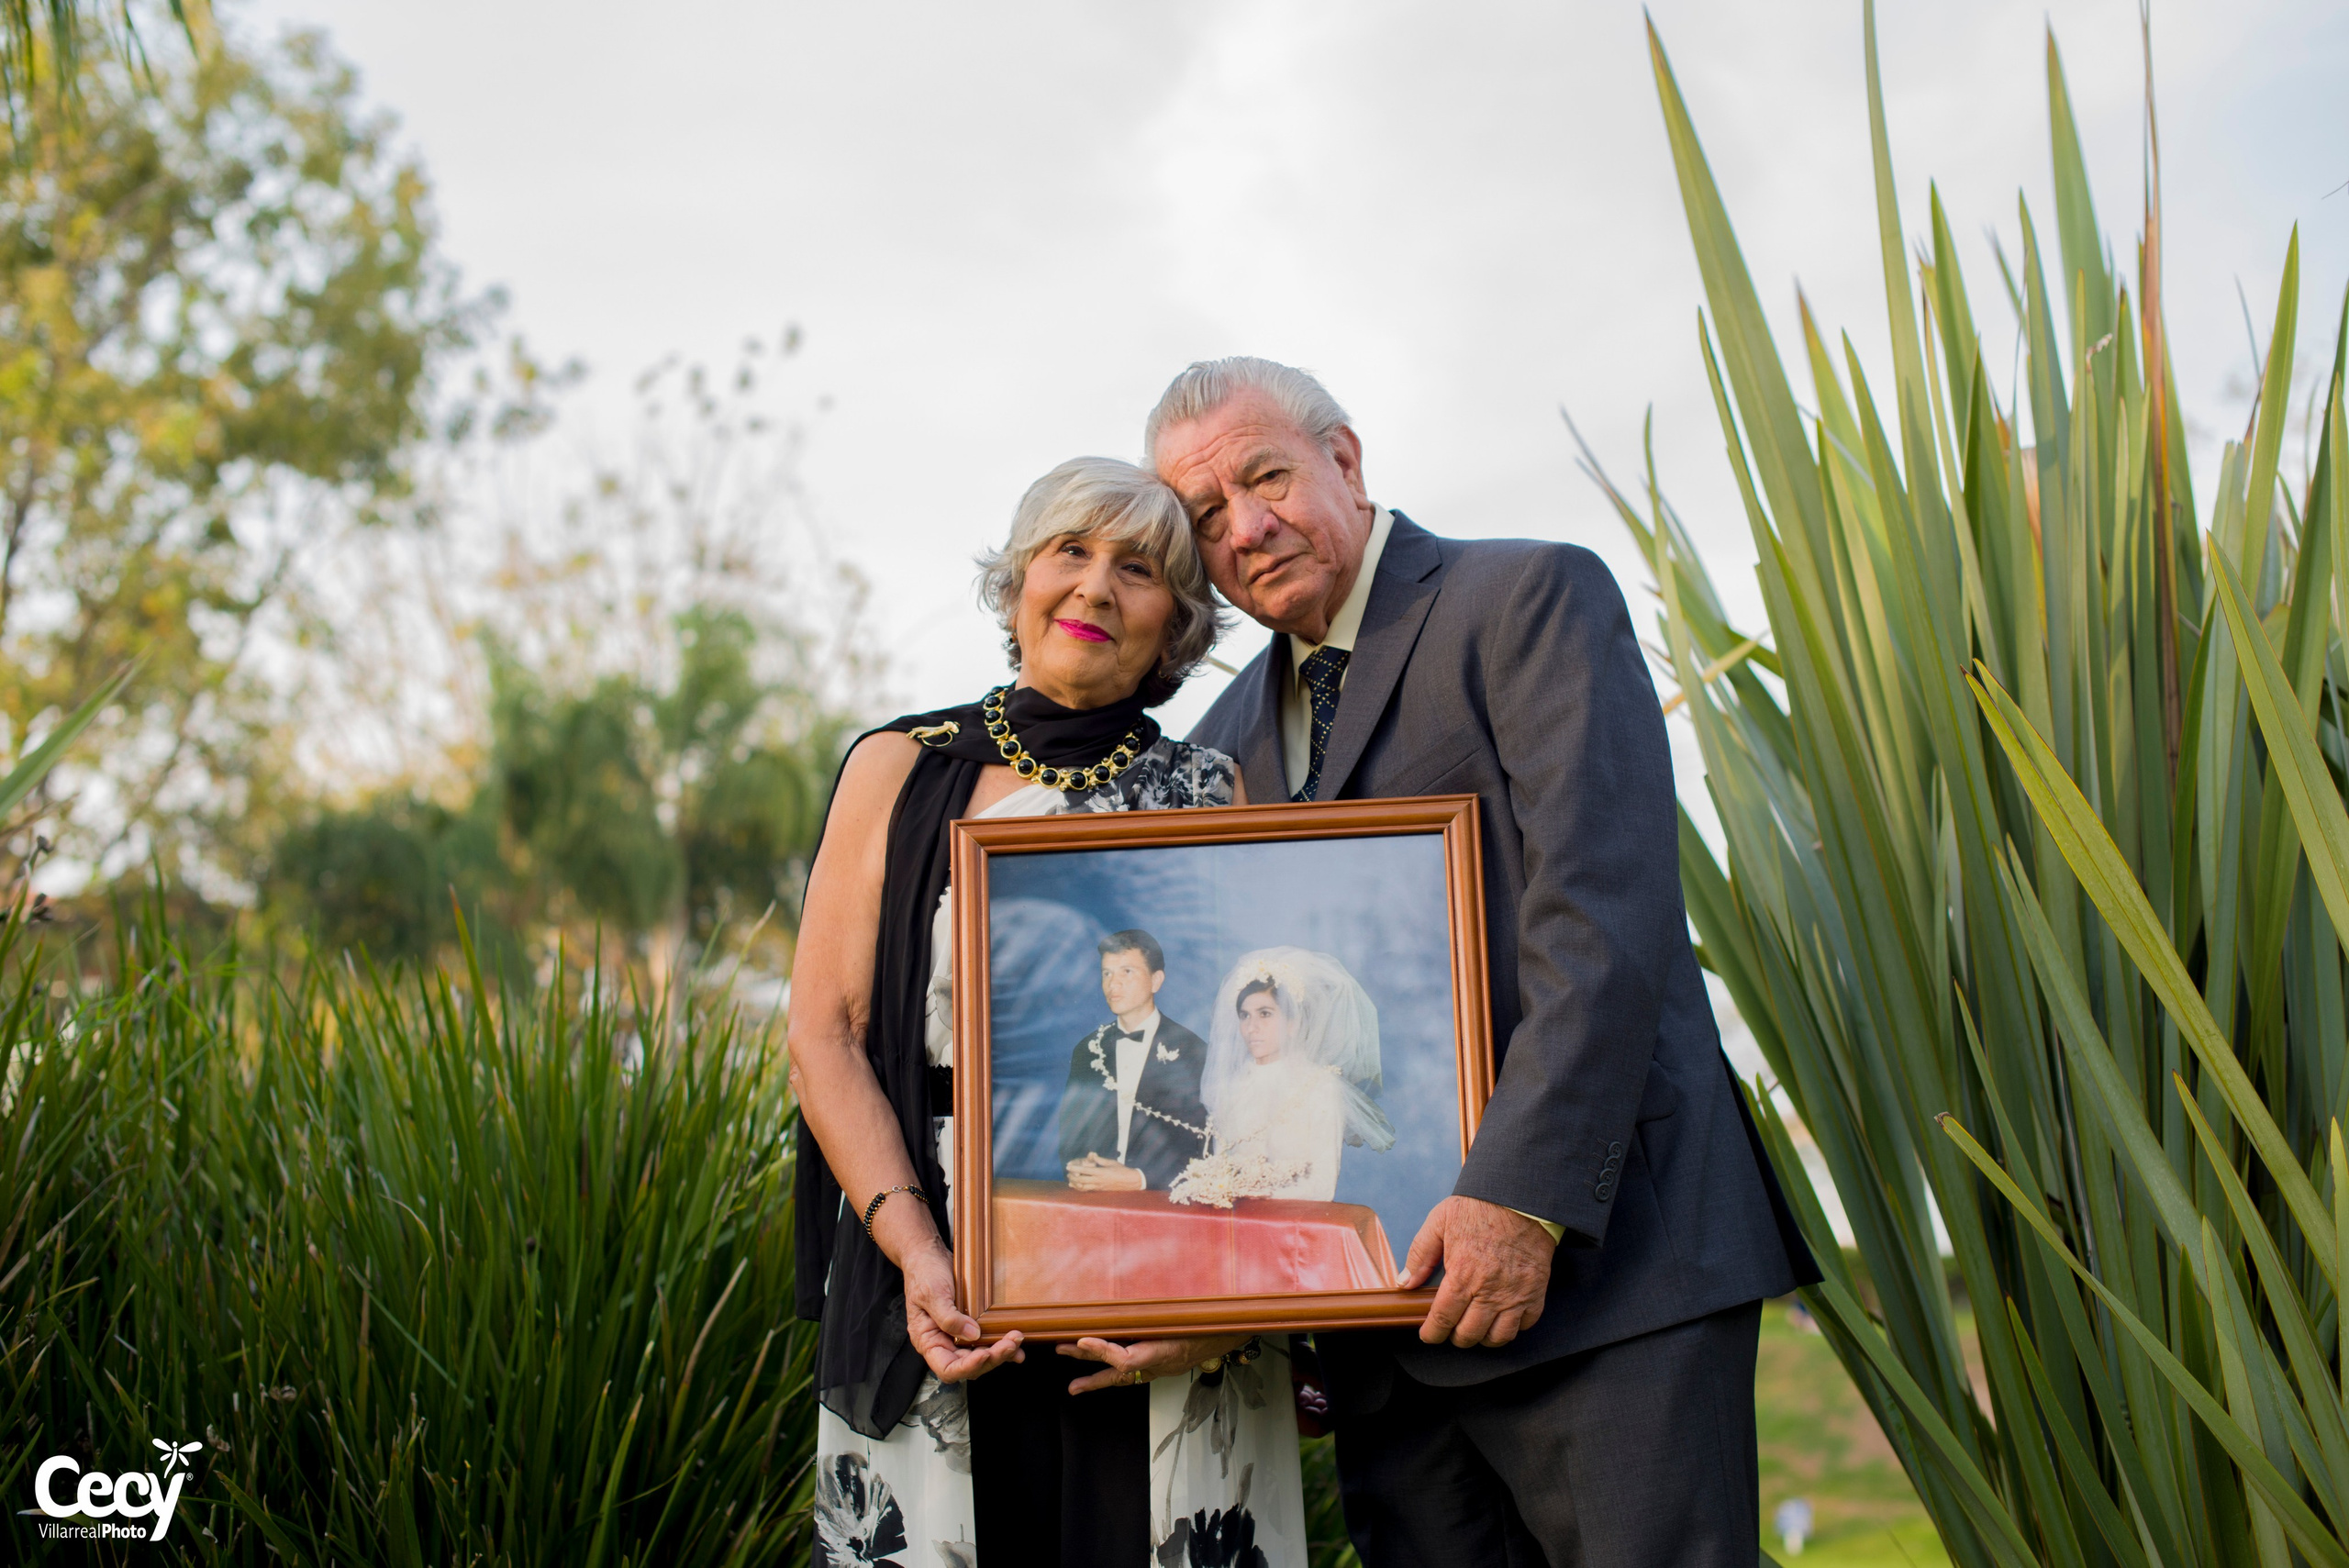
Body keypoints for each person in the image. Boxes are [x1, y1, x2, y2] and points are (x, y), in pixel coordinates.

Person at [1154, 358, 1820, 1568]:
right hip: (1380, 1328)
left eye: (1266, 478)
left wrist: (1522, 1200)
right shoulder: (1217, 745)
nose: (1245, 528)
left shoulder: (1527, 599)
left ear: (1344, 461)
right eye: (1206, 517)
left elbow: (1601, 917)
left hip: (1606, 1276)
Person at [788, 455, 1308, 1568]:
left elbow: (1261, 1063)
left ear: (1175, 622)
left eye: (1139, 568)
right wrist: (917, 1253)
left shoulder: (1216, 791)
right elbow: (822, 1035)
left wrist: (1213, 1307)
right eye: (1069, 550)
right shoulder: (895, 768)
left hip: (1165, 1272)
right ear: (1019, 575)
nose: (1095, 588)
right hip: (936, 1260)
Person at [1174, 947, 1395, 1207]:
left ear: (1293, 1024)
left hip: (1295, 1233)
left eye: (1265, 1014)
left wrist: (1251, 1192)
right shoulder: (1232, 1089)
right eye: (1245, 1016)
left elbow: (1322, 1187)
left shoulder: (1320, 1087)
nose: (1252, 1027)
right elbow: (1221, 1168)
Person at [1056, 929, 1212, 1193]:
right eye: (1107, 973)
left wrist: (1140, 1179)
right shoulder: (1086, 1050)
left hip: (1163, 1209)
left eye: (1127, 972)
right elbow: (1070, 1139)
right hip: (1093, 1204)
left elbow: (1205, 1149)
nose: (1113, 985)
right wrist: (1079, 1166)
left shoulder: (1192, 1051)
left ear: (1156, 981)